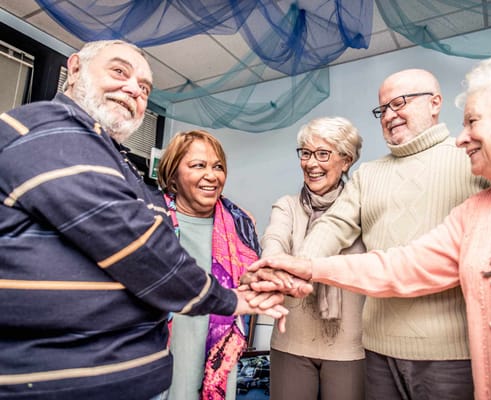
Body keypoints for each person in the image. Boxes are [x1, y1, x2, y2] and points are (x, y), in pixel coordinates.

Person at [250, 52, 491, 399]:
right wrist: (303, 267)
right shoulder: (473, 215)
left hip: (453, 360)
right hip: (389, 353)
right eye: (382, 108)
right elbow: (400, 266)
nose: (462, 138)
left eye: (472, 122)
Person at [0, 40, 286, 400]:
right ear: (73, 69)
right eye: (119, 71)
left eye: (145, 87)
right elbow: (138, 247)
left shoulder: (114, 161)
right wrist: (229, 299)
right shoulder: (52, 130)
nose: (134, 88)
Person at [255, 68, 488, 399]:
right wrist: (294, 269)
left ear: (435, 103)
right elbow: (333, 226)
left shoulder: (470, 159)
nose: (390, 115)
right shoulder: (370, 175)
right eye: (383, 109)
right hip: (378, 351)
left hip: (450, 355)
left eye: (400, 103)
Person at [260, 117, 366, 400]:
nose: (311, 163)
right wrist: (273, 267)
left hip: (349, 347)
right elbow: (275, 241)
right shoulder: (287, 206)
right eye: (305, 153)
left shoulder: (362, 207)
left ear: (346, 160)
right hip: (290, 342)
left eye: (323, 154)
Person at [156, 130, 261, 400]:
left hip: (217, 360)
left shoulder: (240, 227)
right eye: (198, 165)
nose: (211, 175)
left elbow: (252, 289)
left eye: (218, 167)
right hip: (159, 358)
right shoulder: (150, 220)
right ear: (173, 175)